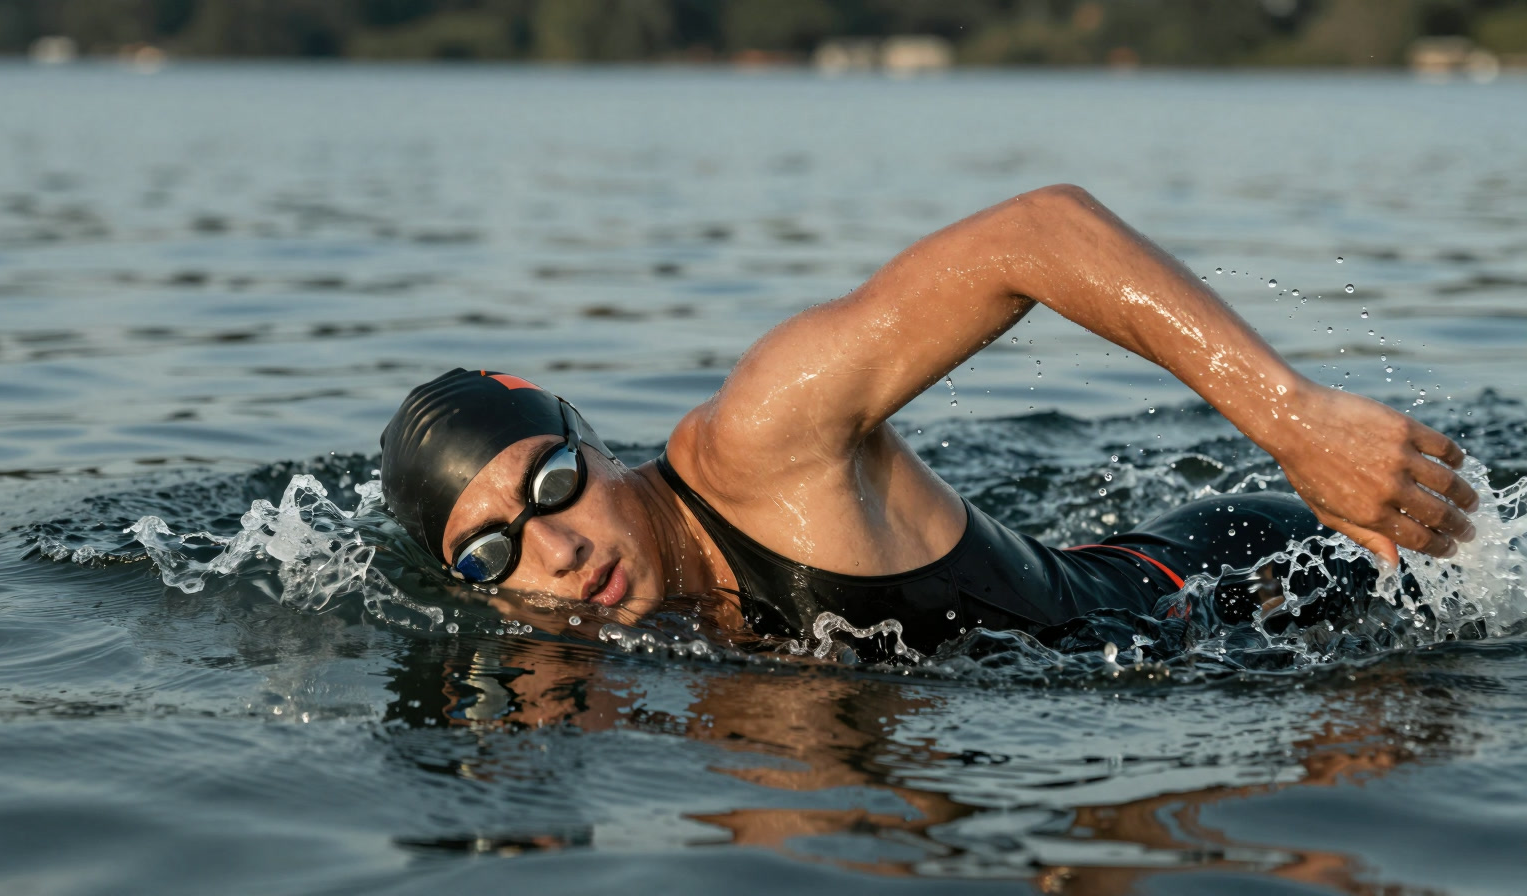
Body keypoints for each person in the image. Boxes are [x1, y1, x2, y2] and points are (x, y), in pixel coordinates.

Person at [378, 185, 1479, 657]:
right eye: (491, 551)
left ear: (598, 450)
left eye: (551, 484)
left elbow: (1035, 233)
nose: (557, 550)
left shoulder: (762, 435)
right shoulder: (591, 644)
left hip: (1256, 579)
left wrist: (1294, 419)